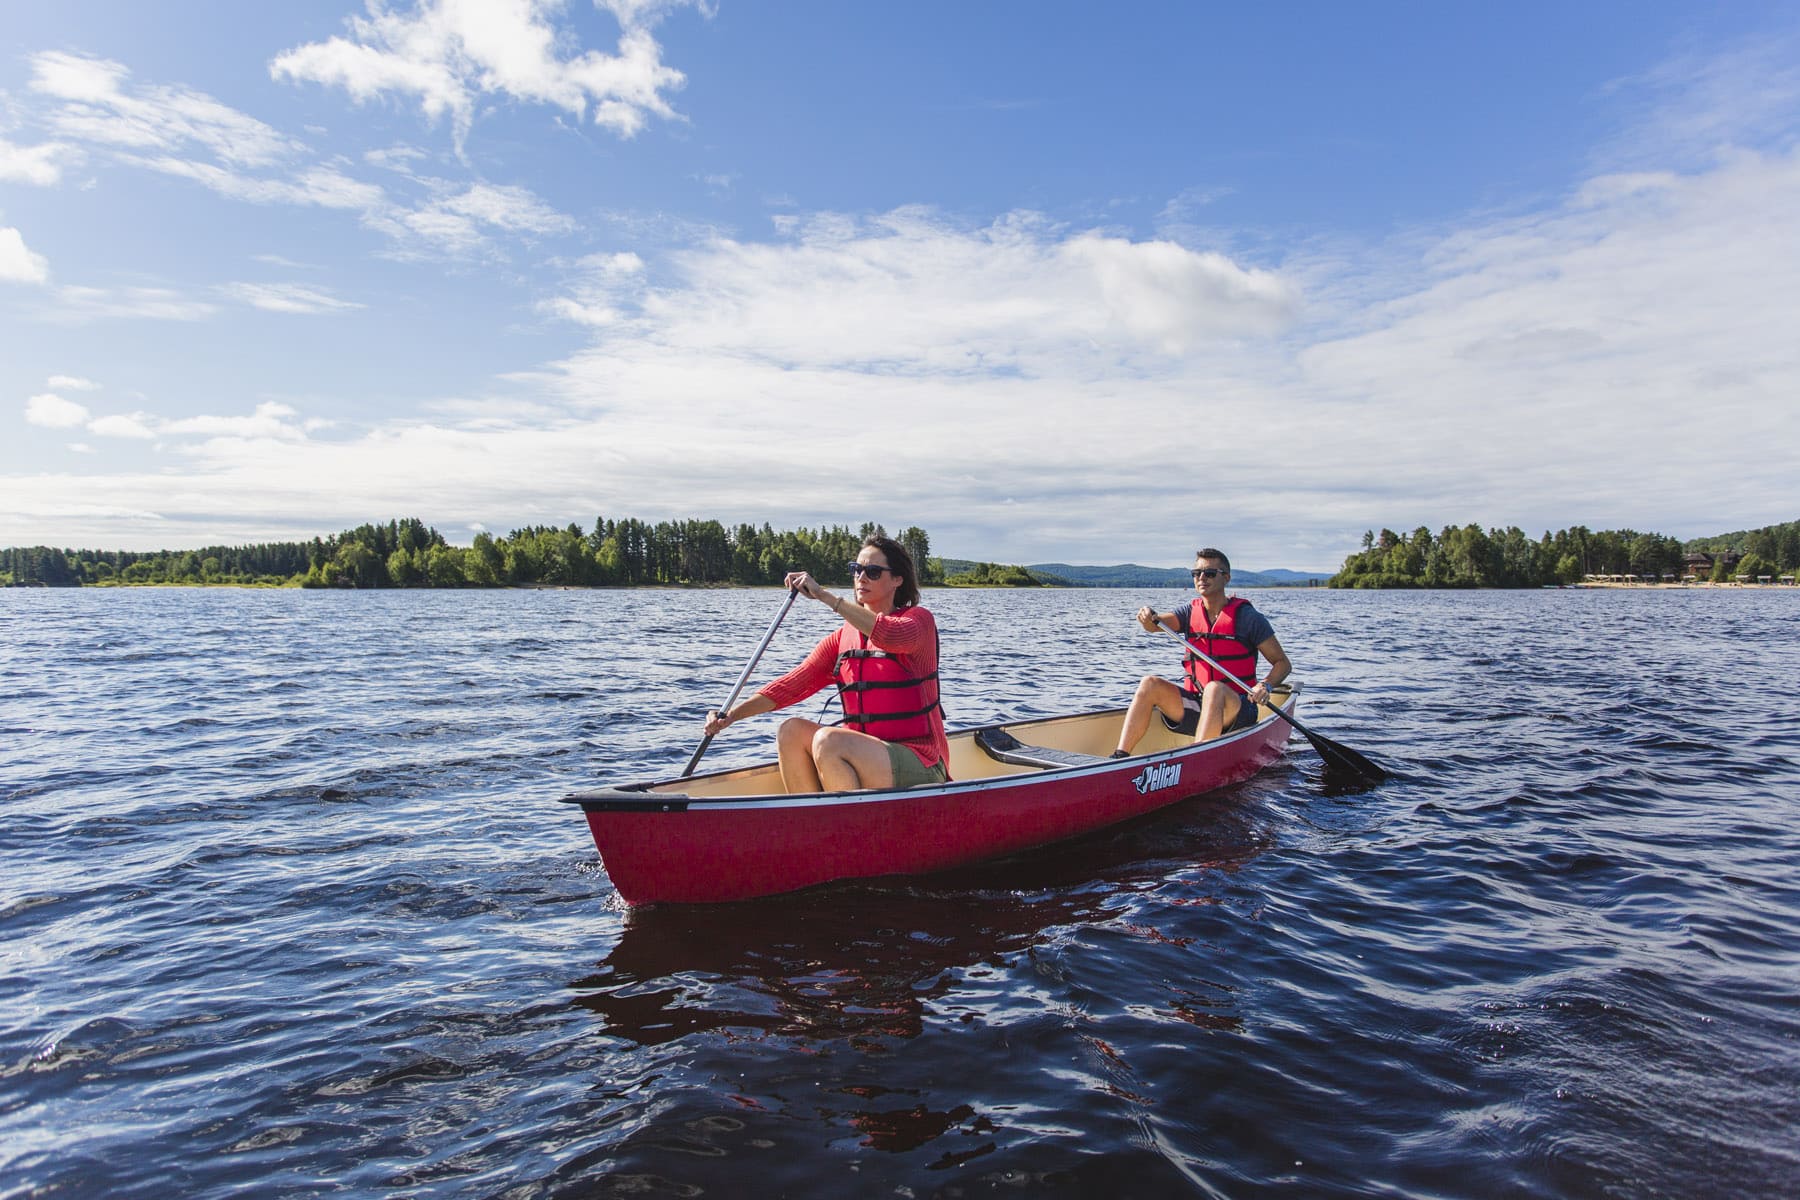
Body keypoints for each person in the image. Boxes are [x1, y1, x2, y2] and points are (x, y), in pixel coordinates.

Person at [702, 535, 949, 792]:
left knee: (829, 741)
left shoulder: (919, 622)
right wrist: (732, 716)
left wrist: (822, 595)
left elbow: (890, 635)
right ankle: (812, 819)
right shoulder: (843, 639)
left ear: (898, 579)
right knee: (791, 731)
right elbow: (792, 686)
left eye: (873, 572)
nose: (861, 578)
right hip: (866, 754)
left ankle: (846, 825)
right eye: (857, 569)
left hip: (922, 760)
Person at [1113, 547, 1291, 757]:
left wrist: (1265, 685)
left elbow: (1282, 663)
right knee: (1149, 683)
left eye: (1210, 573)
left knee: (1214, 689)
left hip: (1238, 708)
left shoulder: (1249, 618)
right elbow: (1156, 624)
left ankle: (1195, 760)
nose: (1201, 578)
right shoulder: (1189, 612)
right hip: (1198, 705)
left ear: (1226, 578)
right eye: (1196, 574)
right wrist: (1148, 618)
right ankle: (1119, 757)